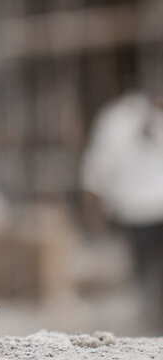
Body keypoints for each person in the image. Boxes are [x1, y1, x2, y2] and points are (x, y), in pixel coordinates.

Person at [81, 92, 163, 333]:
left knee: (144, 273)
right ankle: (152, 323)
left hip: (137, 211)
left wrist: (96, 206)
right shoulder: (119, 121)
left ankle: (150, 323)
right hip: (140, 210)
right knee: (146, 272)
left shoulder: (115, 120)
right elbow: (99, 169)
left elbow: (97, 170)